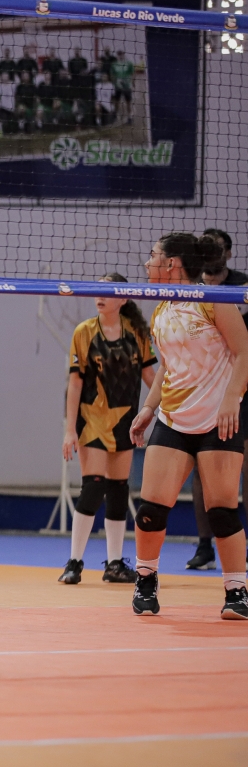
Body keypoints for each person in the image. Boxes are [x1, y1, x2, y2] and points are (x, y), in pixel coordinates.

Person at [128, 233, 248, 620]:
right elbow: (168, 365)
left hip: (218, 420)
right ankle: (146, 579)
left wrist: (231, 398)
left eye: (153, 256)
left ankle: (237, 590)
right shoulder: (161, 310)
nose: (147, 263)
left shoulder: (213, 299)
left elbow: (244, 350)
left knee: (222, 512)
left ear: (172, 263)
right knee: (150, 509)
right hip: (174, 420)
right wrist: (148, 408)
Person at [60, 274, 157, 585]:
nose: (99, 296)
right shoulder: (84, 332)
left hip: (124, 421)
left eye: (107, 291)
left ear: (123, 299)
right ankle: (74, 562)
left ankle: (114, 564)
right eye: (97, 291)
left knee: (118, 490)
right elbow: (75, 383)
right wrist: (69, 430)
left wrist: (171, 405)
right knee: (93, 486)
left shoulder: (137, 333)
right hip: (92, 421)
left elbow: (150, 377)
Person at [188, 229, 248, 570]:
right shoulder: (191, 287)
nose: (211, 252)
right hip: (206, 387)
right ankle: (204, 546)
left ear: (227, 253)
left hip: (241, 386)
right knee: (201, 469)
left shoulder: (242, 286)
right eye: (205, 247)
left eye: (217, 247)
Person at [111, 50, 134, 123]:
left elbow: (132, 73)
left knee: (128, 102)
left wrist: (132, 83)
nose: (120, 56)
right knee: (116, 101)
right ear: (117, 55)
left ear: (124, 55)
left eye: (121, 54)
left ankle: (130, 117)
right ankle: (115, 115)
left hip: (127, 86)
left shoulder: (129, 63)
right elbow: (112, 74)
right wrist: (114, 83)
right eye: (119, 54)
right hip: (118, 86)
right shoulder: (114, 64)